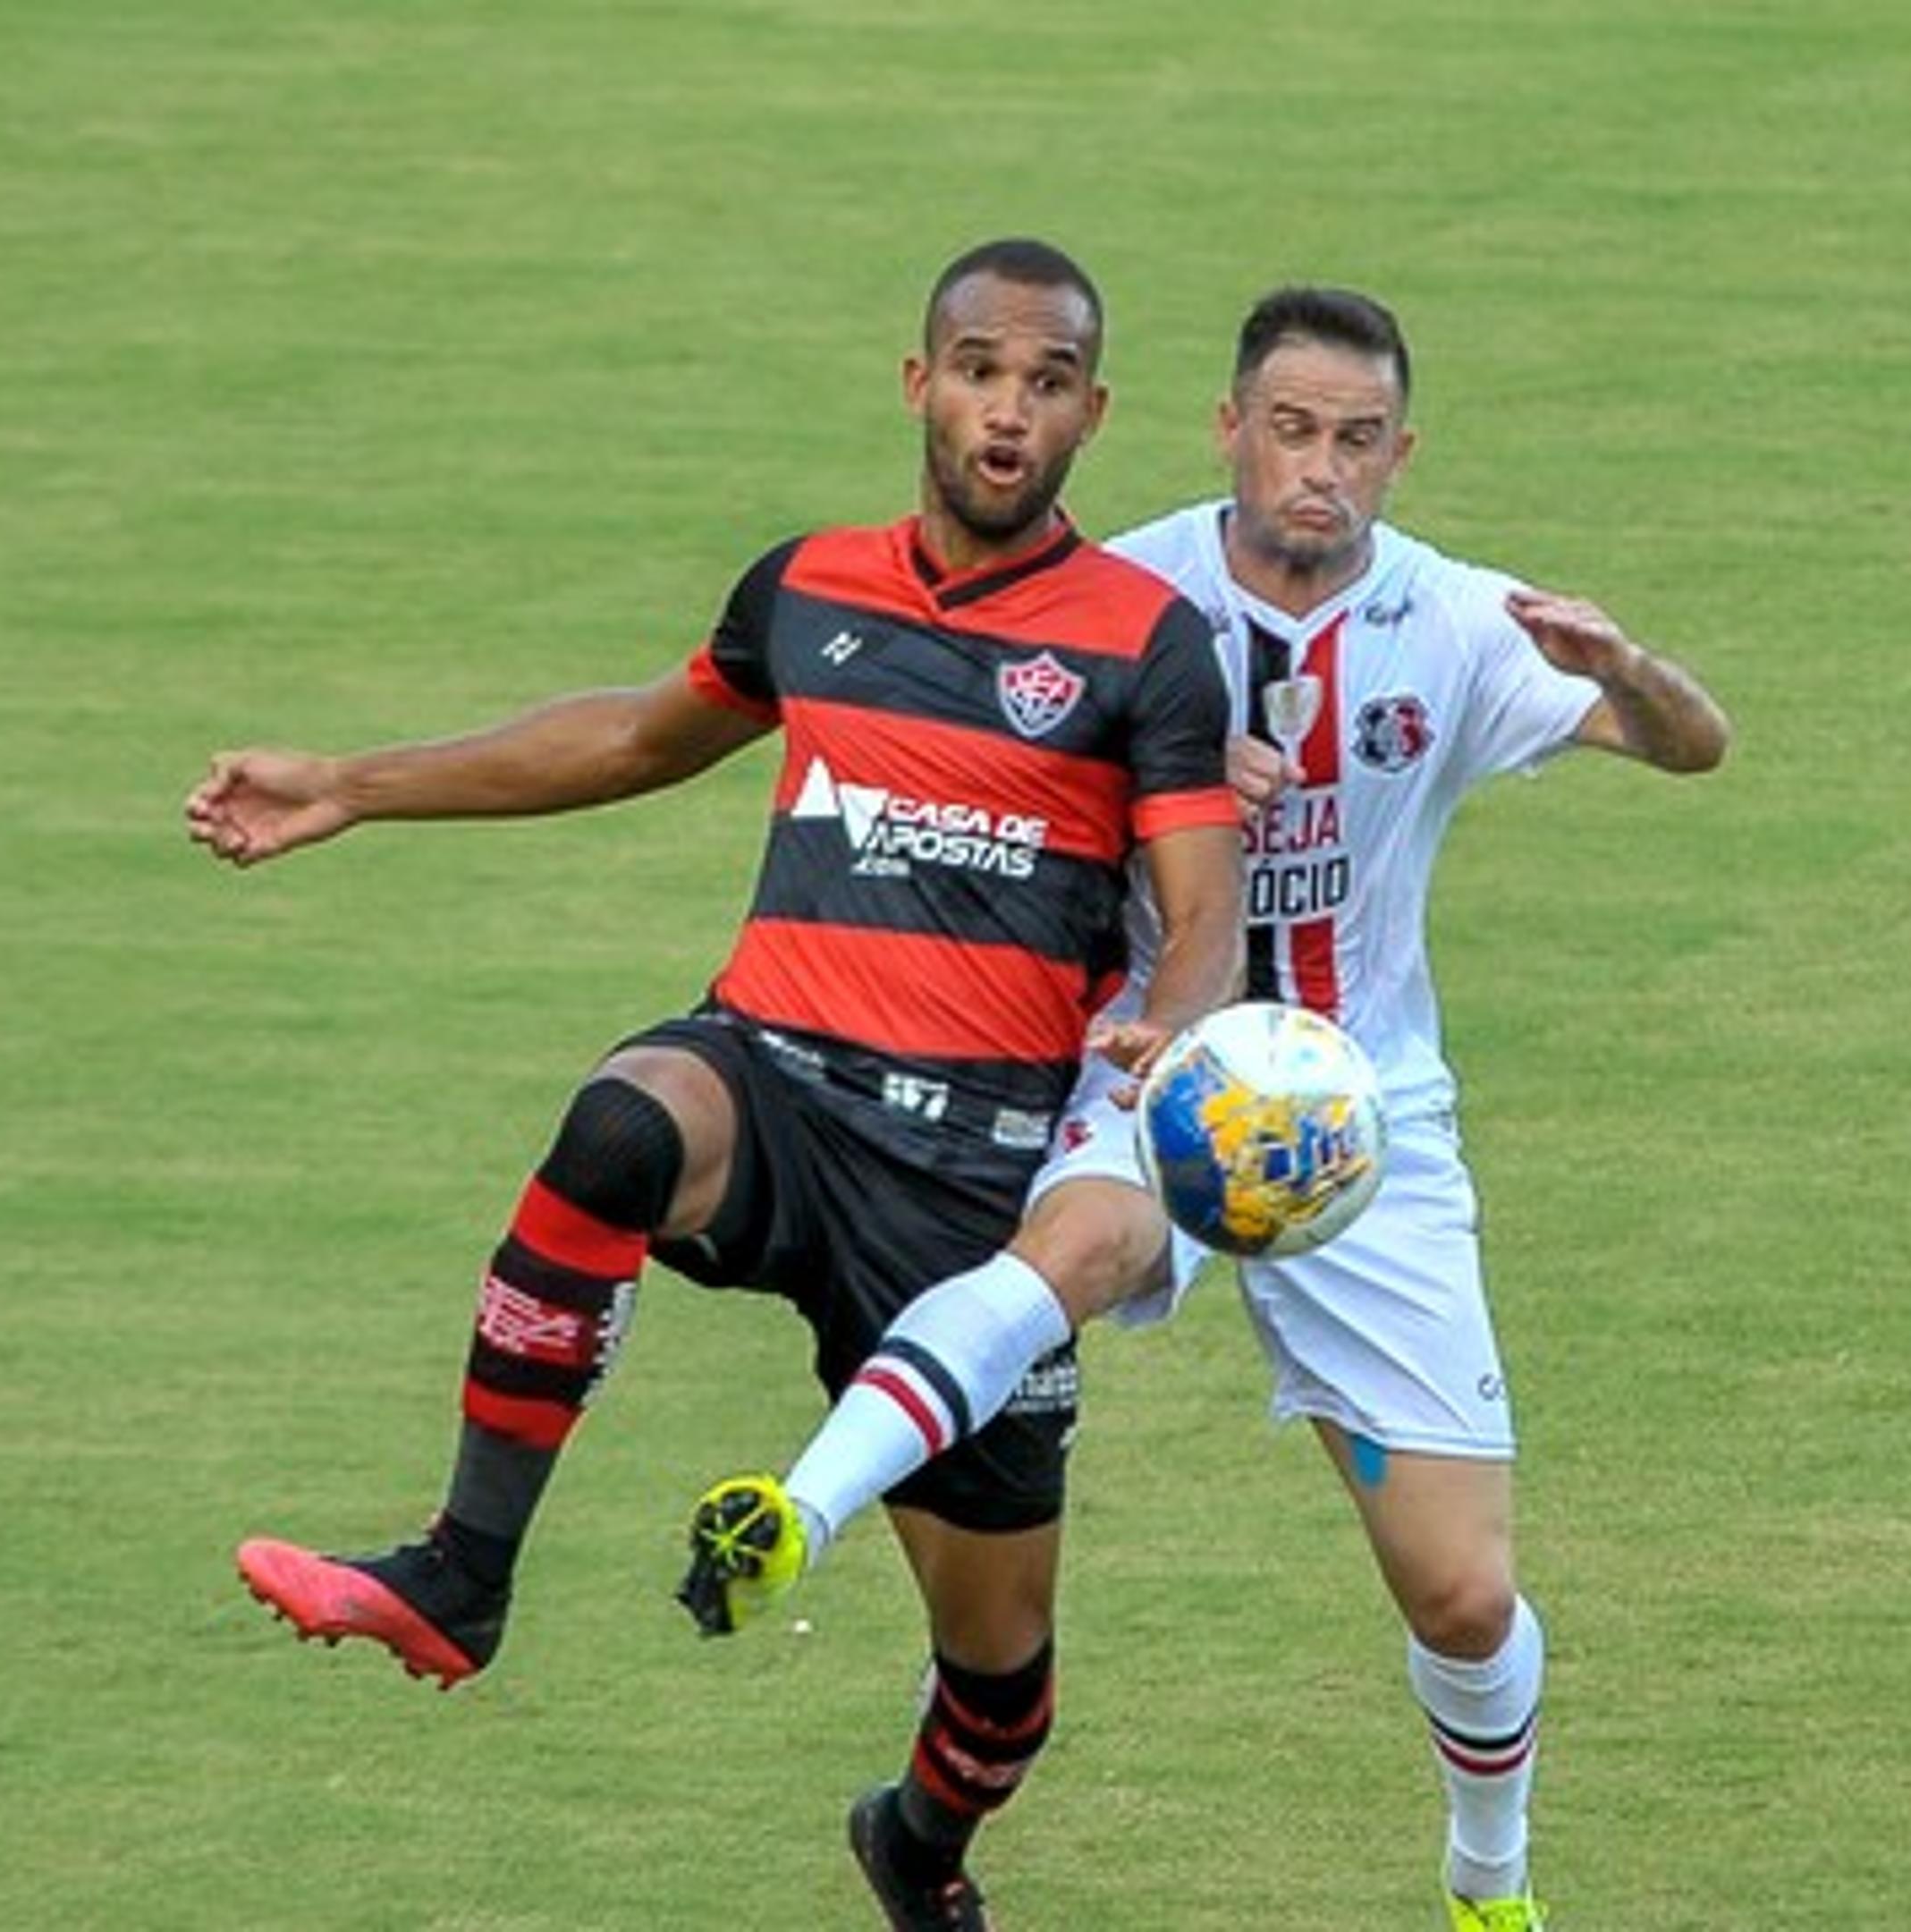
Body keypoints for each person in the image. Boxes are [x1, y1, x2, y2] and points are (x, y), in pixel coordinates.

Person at [186, 238, 1244, 1932]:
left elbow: (1204, 912)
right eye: (979, 368)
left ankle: (917, 1839)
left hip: (968, 1194)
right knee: (620, 1126)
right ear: (920, 384)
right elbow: (630, 738)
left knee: (1001, 1686)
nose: (1008, 409)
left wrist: (1176, 1023)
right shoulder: (808, 588)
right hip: (776, 1079)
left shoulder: (1150, 646)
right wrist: (354, 786)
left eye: (1048, 383)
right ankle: (463, 1573)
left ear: (1094, 414)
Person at [681, 285, 1729, 1932]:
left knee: (1463, 1595)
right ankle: (794, 1514)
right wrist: (1148, 783)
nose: (1322, 470)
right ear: (1229, 428)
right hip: (1150, 1060)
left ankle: (1491, 1888)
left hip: (1361, 1110)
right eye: (1293, 431)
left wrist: (1629, 667)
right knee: (1071, 1253)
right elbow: (988, 776)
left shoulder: (1455, 622)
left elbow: (1693, 748)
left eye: (1359, 442)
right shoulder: (1126, 595)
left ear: (1403, 454)